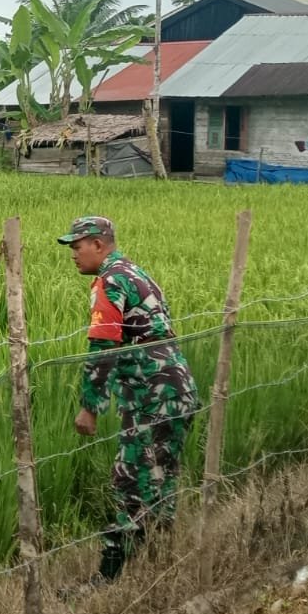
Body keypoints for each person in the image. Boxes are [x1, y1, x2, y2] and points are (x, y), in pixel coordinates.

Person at [58, 216, 200, 582]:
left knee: (131, 481)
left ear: (98, 244)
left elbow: (103, 346)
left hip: (150, 397)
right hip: (179, 390)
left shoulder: (109, 281)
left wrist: (90, 407)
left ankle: (109, 581)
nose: (73, 254)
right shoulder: (137, 273)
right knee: (162, 479)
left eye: (77, 246)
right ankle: (156, 569)